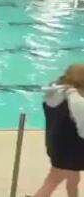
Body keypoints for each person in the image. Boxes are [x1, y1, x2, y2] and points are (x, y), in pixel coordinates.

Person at [33, 64, 84, 197]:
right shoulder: (77, 102)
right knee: (51, 182)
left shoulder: (55, 93)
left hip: (56, 146)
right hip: (71, 152)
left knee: (73, 177)